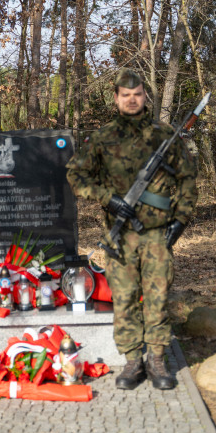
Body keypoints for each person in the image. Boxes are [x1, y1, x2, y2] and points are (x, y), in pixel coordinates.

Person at [66, 69, 197, 391]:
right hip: (120, 236)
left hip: (157, 234)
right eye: (126, 95)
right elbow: (76, 175)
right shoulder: (102, 137)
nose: (132, 99)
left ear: (145, 95)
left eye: (137, 94)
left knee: (157, 298)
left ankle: (157, 359)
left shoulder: (164, 135)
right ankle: (133, 360)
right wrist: (107, 198)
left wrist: (180, 220)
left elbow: (187, 179)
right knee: (124, 300)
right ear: (116, 98)